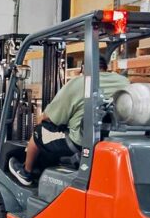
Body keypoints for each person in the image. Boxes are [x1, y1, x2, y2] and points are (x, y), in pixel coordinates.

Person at [9, 56, 129, 187]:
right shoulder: (124, 82)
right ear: (106, 68)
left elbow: (49, 117)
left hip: (81, 142)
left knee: (39, 131)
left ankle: (26, 172)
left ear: (83, 68)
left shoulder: (80, 82)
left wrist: (41, 118)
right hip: (111, 140)